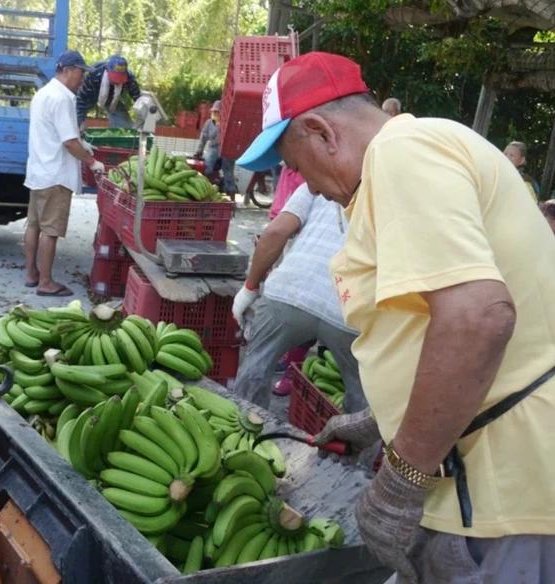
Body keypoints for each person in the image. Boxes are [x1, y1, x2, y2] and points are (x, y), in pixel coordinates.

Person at [238, 51, 555, 582]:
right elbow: (430, 323)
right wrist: (381, 420)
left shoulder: (402, 154)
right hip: (481, 481)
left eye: (296, 167)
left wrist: (401, 480)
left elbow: (478, 317)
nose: (307, 186)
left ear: (322, 132)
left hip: (503, 494)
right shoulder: (407, 160)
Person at [231, 182, 366, 413]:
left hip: (290, 291)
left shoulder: (315, 183)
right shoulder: (385, 190)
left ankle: (243, 430)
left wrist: (249, 288)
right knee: (363, 391)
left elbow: (275, 232)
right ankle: (357, 445)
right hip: (347, 306)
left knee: (255, 368)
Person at [24, 50, 104, 297]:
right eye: (81, 72)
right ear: (68, 70)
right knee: (51, 231)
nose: (82, 79)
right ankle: (46, 282)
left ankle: (31, 274)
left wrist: (82, 142)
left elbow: (60, 135)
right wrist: (92, 162)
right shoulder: (63, 98)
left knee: (34, 226)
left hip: (39, 171)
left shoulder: (42, 94)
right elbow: (69, 141)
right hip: (56, 176)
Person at [76, 55, 142, 129]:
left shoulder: (129, 78)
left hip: (113, 98)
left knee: (125, 128)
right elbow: (81, 99)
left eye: (121, 78)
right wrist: (80, 121)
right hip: (91, 93)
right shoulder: (94, 74)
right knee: (76, 122)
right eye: (115, 78)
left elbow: (138, 98)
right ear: (107, 71)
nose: (117, 81)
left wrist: (143, 112)